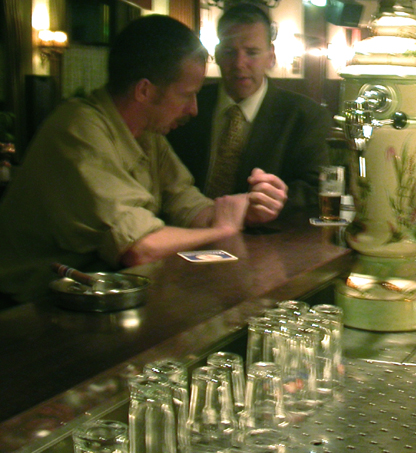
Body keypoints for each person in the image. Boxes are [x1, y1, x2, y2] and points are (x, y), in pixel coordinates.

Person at [0, 15, 286, 306]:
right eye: (187, 95)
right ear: (144, 91)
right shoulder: (78, 130)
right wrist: (221, 229)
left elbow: (185, 202)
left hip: (97, 294)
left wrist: (243, 210)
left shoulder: (147, 134)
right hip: (29, 307)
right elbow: (139, 248)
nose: (194, 109)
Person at [168, 2, 331, 209]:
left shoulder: (304, 116)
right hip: (184, 224)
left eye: (252, 53)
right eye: (229, 52)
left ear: (270, 57)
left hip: (266, 228)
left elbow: (316, 189)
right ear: (216, 54)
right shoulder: (187, 103)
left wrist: (273, 201)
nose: (239, 63)